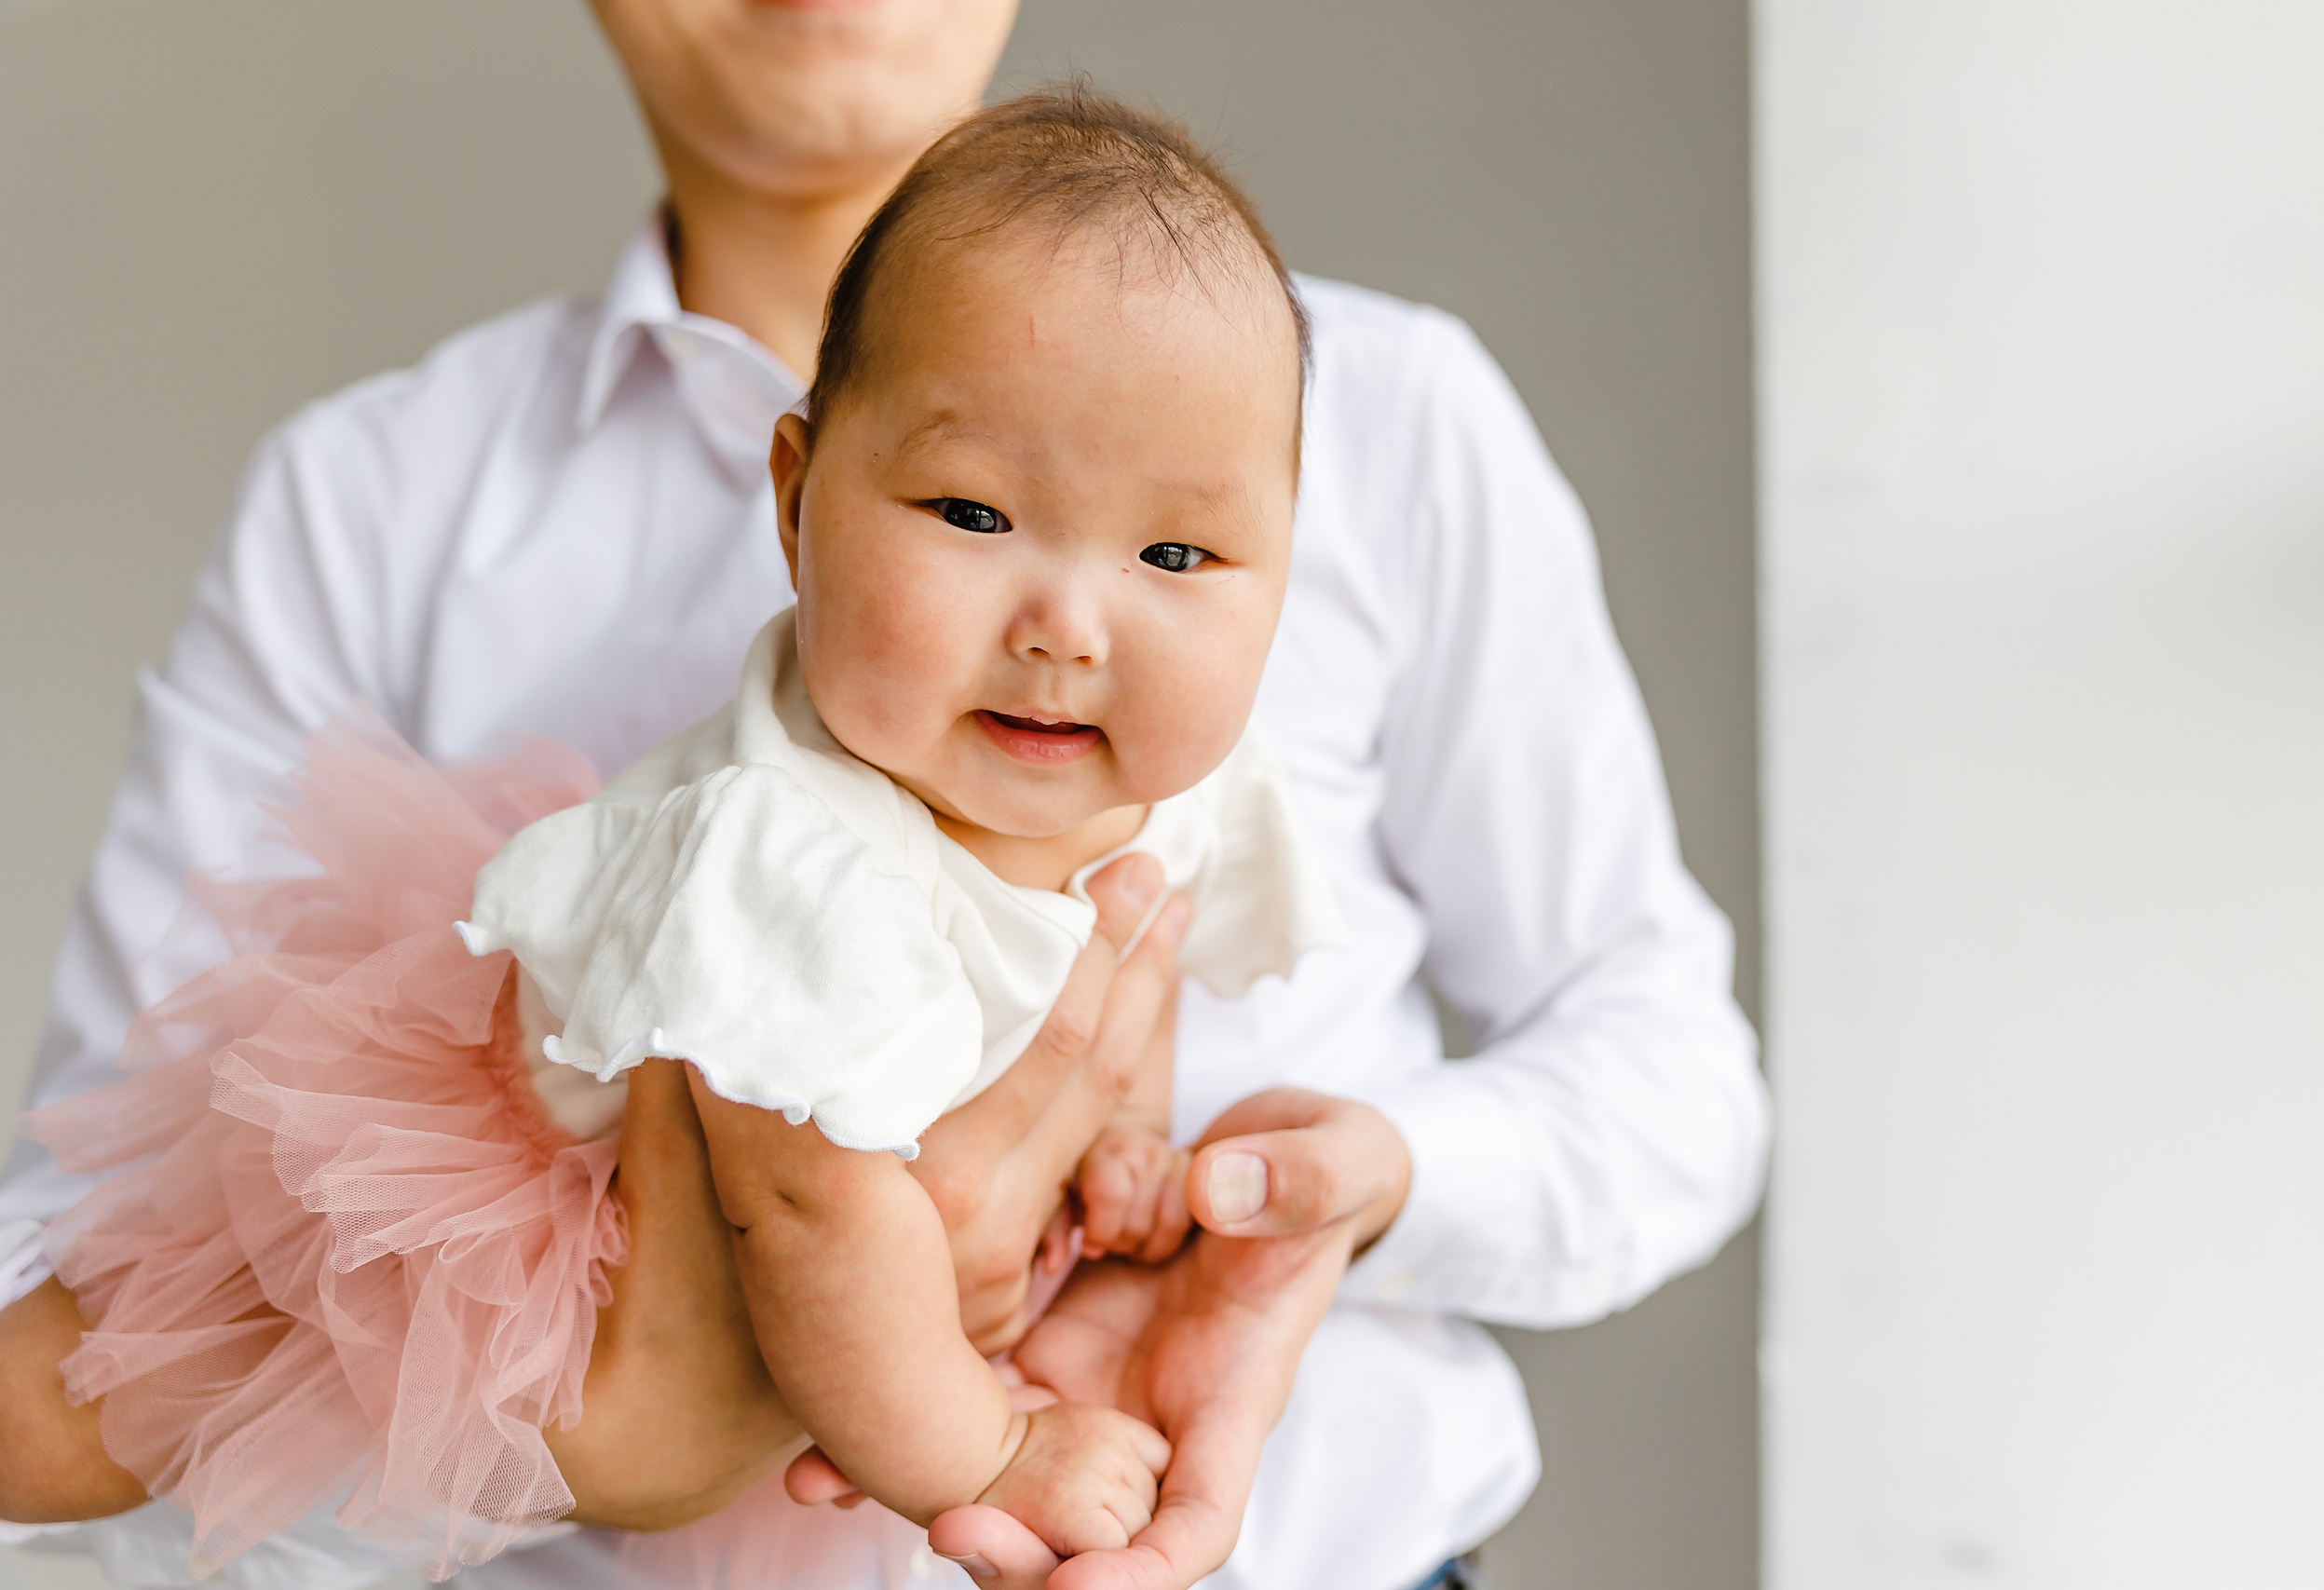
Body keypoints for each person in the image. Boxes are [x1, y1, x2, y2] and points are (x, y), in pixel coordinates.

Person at [0, 1, 1770, 1586]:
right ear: (799, 503)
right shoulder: (736, 801)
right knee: (119, 1378)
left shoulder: (1375, 418)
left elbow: (1650, 1063)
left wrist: (1320, 1187)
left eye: (1177, 552)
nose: (1074, 626)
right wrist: (682, 1439)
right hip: (528, 1263)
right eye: (970, 517)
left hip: (1331, 1557)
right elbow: (807, 1200)